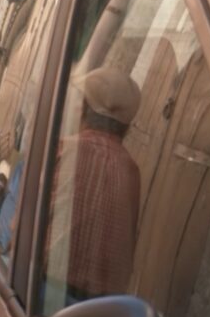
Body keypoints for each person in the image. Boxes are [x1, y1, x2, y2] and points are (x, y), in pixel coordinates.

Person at [46, 66, 142, 303]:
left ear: (84, 111)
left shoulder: (63, 149)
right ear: (127, 127)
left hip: (47, 291)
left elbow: (19, 231)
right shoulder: (131, 171)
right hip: (99, 308)